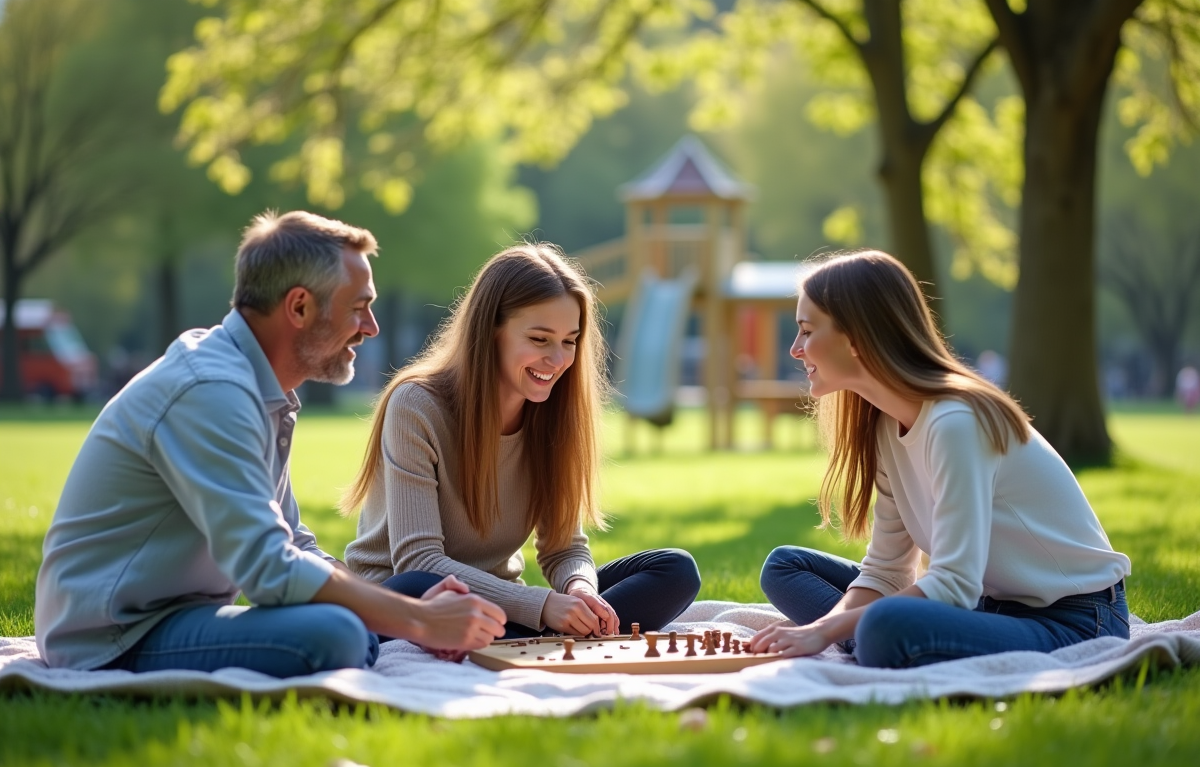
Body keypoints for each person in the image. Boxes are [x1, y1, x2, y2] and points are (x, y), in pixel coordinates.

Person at [35, 211, 506, 677]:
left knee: (417, 586)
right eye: (358, 306)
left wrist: (405, 604)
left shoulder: (259, 390)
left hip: (177, 613)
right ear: (299, 307)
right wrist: (419, 620)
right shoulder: (210, 391)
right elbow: (268, 569)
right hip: (113, 633)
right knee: (337, 634)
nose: (371, 327)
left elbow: (294, 544)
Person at [750, 250, 1131, 668]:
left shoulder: (956, 422)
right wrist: (821, 629)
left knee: (884, 627)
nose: (795, 349)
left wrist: (824, 630)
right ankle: (892, 642)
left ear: (856, 338)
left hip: (1075, 619)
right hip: (987, 607)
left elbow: (954, 584)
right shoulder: (885, 426)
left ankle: (887, 641)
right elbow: (885, 572)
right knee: (786, 567)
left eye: (806, 331)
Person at [342, 243, 701, 638]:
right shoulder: (416, 405)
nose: (559, 359)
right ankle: (540, 631)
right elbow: (418, 562)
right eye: (540, 339)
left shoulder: (551, 414)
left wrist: (580, 590)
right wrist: (542, 606)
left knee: (676, 570)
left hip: (503, 603)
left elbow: (564, 547)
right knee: (416, 587)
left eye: (570, 340)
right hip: (406, 599)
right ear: (491, 330)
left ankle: (543, 631)